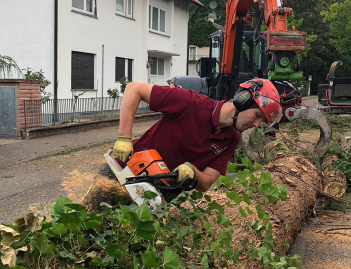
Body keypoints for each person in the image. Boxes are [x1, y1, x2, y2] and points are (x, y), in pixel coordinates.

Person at [112, 78, 282, 192]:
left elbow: (206, 181)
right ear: (243, 99)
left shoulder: (231, 140)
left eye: (262, 122)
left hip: (153, 193)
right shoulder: (191, 103)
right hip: (123, 170)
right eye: (258, 116)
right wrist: (124, 138)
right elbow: (134, 89)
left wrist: (193, 172)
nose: (257, 125)